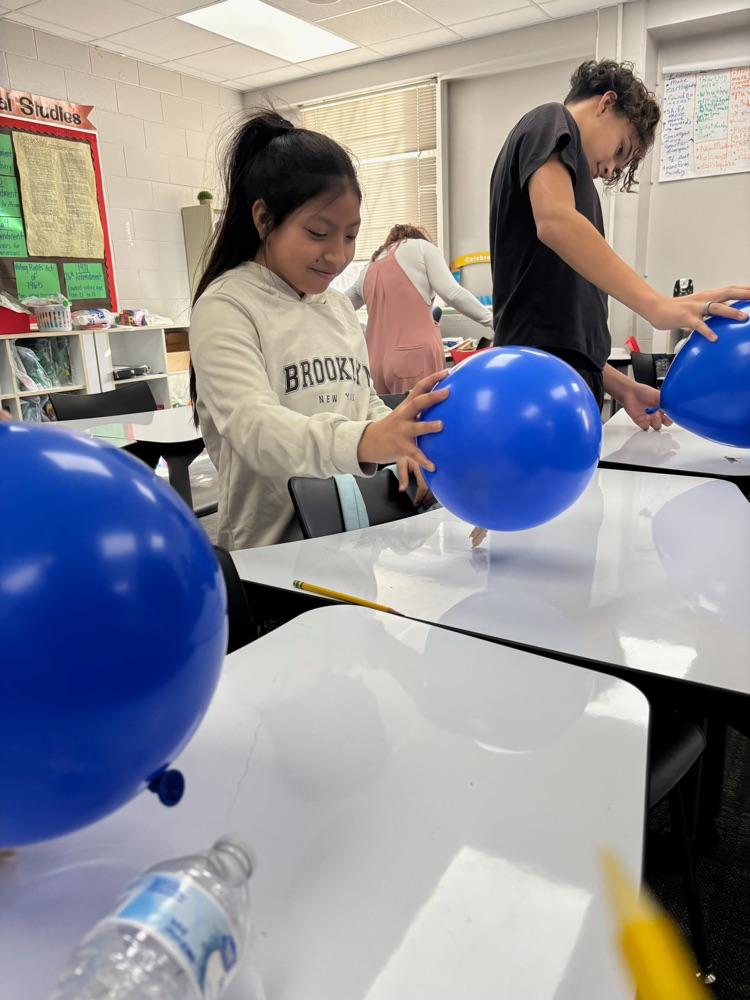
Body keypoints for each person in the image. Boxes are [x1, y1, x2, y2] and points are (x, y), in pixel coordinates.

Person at [189, 112, 447, 551]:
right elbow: (255, 429)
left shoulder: (338, 308)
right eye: (318, 233)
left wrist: (398, 444)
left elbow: (361, 398)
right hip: (273, 557)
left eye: (350, 236)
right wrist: (368, 440)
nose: (337, 255)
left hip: (356, 540)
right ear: (264, 219)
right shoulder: (227, 305)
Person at [489, 58, 750, 429]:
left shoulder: (575, 189)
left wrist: (622, 386)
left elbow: (563, 329)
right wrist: (656, 305)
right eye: (620, 149)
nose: (610, 169)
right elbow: (555, 223)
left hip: (562, 375)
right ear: (605, 103)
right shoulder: (551, 119)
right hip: (539, 379)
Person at [346, 224, 493, 394]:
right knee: (422, 418)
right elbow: (452, 293)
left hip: (374, 363)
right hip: (413, 360)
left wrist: (363, 331)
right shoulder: (421, 247)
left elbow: (340, 305)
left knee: (389, 419)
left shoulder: (368, 268)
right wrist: (492, 320)